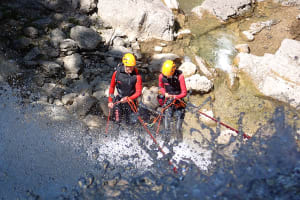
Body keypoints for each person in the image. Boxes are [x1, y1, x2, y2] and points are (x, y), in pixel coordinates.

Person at [108, 53, 142, 124]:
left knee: (130, 123)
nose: (131, 68)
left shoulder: (137, 76)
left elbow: (138, 92)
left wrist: (128, 99)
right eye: (129, 67)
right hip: (119, 100)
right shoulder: (117, 73)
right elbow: (112, 87)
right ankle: (116, 134)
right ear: (125, 65)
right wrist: (110, 101)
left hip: (131, 101)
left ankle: (130, 134)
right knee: (117, 121)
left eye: (132, 66)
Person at [158, 60, 187, 134]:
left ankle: (179, 142)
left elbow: (184, 92)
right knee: (167, 126)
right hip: (168, 101)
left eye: (168, 75)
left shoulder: (180, 77)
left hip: (178, 102)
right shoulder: (162, 76)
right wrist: (165, 93)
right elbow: (161, 87)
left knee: (178, 128)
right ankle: (166, 142)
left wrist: (175, 96)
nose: (167, 76)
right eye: (166, 75)